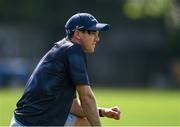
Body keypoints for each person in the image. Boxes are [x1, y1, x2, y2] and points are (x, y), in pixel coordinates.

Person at [10, 12, 121, 126]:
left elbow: (73, 106)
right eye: (93, 33)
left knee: (86, 124)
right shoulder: (73, 51)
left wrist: (103, 112)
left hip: (25, 121)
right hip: (34, 123)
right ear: (77, 34)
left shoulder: (64, 49)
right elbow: (86, 97)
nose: (97, 39)